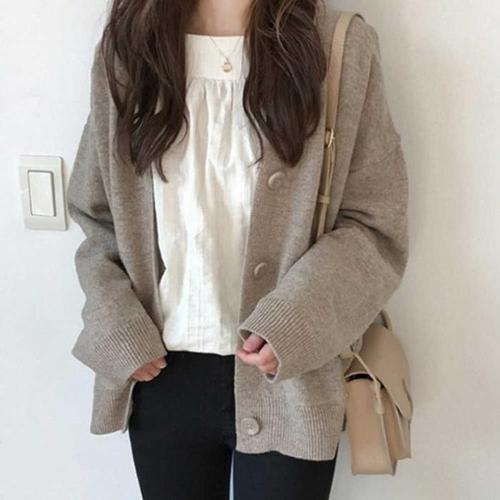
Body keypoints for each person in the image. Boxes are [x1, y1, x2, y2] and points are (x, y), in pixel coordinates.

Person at [67, 0, 409, 498]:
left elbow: (376, 225)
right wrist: (119, 327)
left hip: (290, 378)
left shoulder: (338, 47)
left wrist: (296, 322)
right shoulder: (128, 51)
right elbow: (97, 217)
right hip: (159, 374)